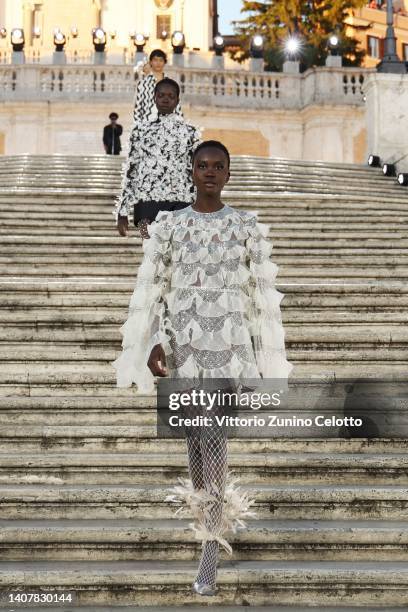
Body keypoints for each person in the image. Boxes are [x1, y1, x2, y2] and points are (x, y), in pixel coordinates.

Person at [112, 140, 293, 595]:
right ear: (191, 172)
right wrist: (153, 339)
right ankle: (208, 528)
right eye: (202, 165)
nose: (210, 172)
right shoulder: (170, 226)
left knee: (212, 444)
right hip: (185, 350)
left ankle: (210, 551)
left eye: (218, 166)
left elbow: (261, 301)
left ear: (229, 174)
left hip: (227, 352)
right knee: (195, 447)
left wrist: (264, 361)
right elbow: (154, 286)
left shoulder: (246, 226)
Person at [114, 78, 200, 239]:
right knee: (150, 253)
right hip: (146, 203)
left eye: (170, 96)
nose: (166, 99)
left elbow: (197, 172)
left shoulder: (190, 132)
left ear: (177, 100)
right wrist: (122, 210)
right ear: (154, 98)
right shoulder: (140, 131)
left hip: (181, 200)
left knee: (176, 255)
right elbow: (131, 171)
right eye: (161, 95)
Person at [133, 49, 183, 123]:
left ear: (164, 62)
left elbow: (177, 105)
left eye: (161, 60)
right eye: (155, 60)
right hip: (147, 123)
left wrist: (180, 121)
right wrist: (137, 126)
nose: (158, 63)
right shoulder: (143, 83)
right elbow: (138, 107)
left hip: (168, 123)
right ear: (151, 62)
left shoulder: (171, 83)